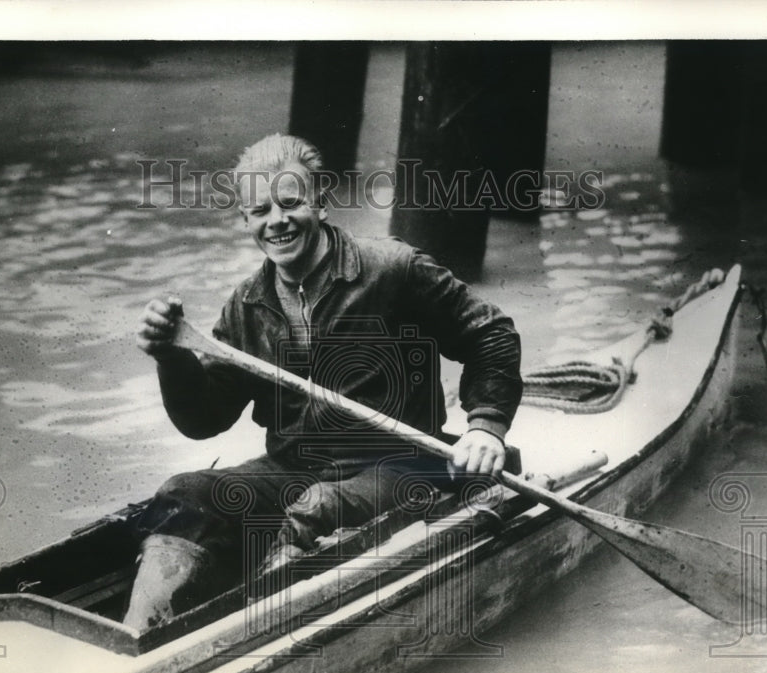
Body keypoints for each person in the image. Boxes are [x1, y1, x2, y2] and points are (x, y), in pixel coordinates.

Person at [124, 133, 523, 629]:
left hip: (403, 465)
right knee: (182, 495)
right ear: (245, 220)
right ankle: (140, 638)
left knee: (314, 511)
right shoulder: (247, 303)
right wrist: (171, 357)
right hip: (294, 467)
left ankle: (247, 637)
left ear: (321, 204)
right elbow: (204, 420)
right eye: (260, 210)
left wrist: (486, 426)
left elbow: (491, 334)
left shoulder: (393, 269)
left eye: (290, 203)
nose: (277, 221)